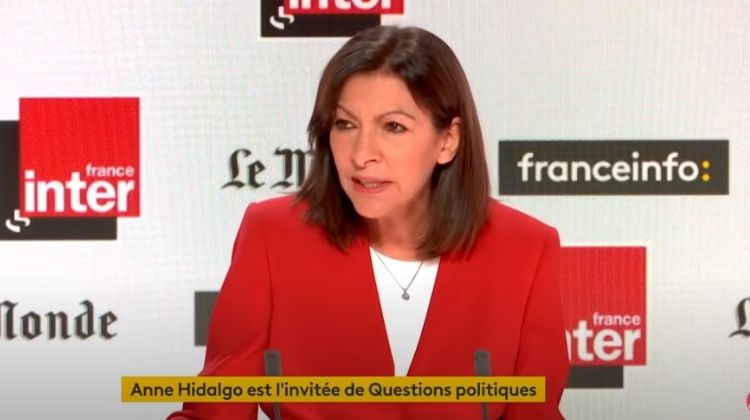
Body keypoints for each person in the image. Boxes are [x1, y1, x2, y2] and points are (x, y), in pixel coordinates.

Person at [168, 25, 568, 420]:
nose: (361, 155)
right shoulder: (272, 234)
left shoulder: (526, 248)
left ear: (447, 141)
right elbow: (214, 411)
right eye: (345, 124)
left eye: (393, 127)